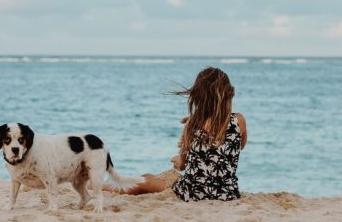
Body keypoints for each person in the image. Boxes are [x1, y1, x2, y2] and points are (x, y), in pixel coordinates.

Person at [103, 66, 247, 201]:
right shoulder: (239, 120)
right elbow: (238, 147)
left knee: (144, 180)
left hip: (193, 193)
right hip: (228, 194)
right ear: (228, 94)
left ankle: (97, 186)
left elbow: (183, 166)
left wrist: (179, 160)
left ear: (198, 96)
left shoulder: (193, 125)